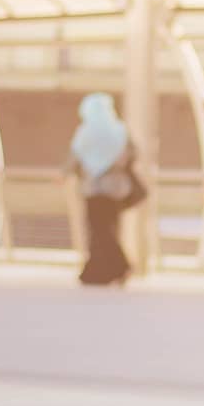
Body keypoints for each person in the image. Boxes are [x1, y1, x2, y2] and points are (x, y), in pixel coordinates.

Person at [64, 92, 137, 287]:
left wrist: (64, 174)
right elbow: (131, 155)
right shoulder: (120, 131)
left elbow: (75, 156)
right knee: (108, 228)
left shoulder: (86, 131)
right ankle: (106, 270)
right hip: (116, 188)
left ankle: (118, 266)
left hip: (93, 188)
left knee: (99, 229)